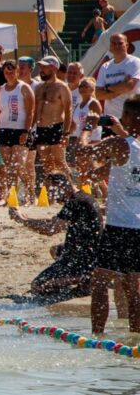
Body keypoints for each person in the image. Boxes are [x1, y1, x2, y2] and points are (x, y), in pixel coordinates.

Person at [81, 97, 140, 334]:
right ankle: (136, 337)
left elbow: (83, 152)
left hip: (118, 226)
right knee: (132, 286)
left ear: (127, 117)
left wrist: (88, 127)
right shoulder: (130, 145)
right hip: (138, 225)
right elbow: (99, 173)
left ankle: (97, 334)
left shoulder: (117, 144)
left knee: (100, 283)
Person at [9, 172, 102, 304]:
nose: (50, 195)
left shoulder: (76, 202)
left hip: (83, 257)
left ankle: (85, 278)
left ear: (61, 185)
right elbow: (54, 221)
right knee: (55, 250)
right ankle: (79, 277)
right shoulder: (83, 197)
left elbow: (50, 229)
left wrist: (21, 220)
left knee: (38, 286)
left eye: (50, 189)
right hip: (85, 251)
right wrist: (26, 217)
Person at [0, 60, 35, 204]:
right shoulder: (1, 89)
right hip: (4, 129)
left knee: (18, 165)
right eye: (7, 72)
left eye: (12, 71)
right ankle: (12, 195)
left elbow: (30, 111)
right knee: (9, 167)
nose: (9, 74)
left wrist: (26, 131)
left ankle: (31, 192)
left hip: (20, 129)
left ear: (17, 71)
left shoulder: (24, 88)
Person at [31, 55, 73, 177]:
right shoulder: (39, 87)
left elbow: (68, 110)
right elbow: (35, 111)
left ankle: (72, 189)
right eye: (41, 67)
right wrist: (31, 129)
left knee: (60, 162)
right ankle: (53, 191)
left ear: (54, 68)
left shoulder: (62, 87)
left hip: (56, 128)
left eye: (44, 67)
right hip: (41, 129)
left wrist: (66, 133)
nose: (41, 70)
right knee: (47, 163)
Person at [97, 34, 140, 122]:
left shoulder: (135, 62)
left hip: (132, 117)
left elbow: (129, 86)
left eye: (120, 43)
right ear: (110, 47)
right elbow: (98, 94)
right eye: (114, 43)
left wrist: (108, 88)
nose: (117, 46)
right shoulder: (105, 66)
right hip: (110, 118)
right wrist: (120, 88)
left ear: (127, 45)